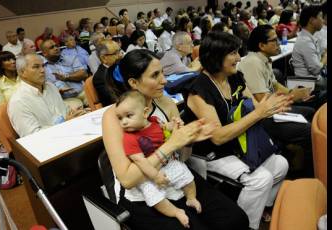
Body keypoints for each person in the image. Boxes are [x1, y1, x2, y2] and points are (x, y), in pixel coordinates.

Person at [102, 49, 249, 229]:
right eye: (155, 75)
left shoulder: (165, 103)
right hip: (143, 191)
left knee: (236, 219)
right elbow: (128, 180)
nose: (164, 80)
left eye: (162, 72)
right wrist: (172, 144)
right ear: (134, 82)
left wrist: (188, 140)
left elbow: (183, 157)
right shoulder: (115, 116)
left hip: (174, 175)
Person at [182, 31, 290, 230]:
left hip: (240, 143)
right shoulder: (199, 90)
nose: (239, 58)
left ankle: (261, 206)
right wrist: (259, 114)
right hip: (212, 154)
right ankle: (245, 225)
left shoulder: (234, 77)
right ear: (216, 57)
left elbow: (255, 106)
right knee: (261, 179)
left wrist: (273, 106)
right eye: (233, 53)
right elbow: (218, 137)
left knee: (281, 164)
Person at [116, 90, 202, 228]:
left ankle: (191, 198)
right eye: (120, 118)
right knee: (153, 196)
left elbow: (165, 128)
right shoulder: (129, 138)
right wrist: (155, 176)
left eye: (128, 116)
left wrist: (174, 125)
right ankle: (176, 212)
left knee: (185, 174)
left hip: (167, 163)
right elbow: (140, 161)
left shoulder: (155, 121)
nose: (124, 122)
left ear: (145, 113)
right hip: (147, 173)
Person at [238, 25, 314, 176]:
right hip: (263, 117)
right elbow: (263, 101)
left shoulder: (264, 60)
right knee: (308, 130)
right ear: (262, 45)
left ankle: (294, 151)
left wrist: (293, 93)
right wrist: (292, 97)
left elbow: (275, 85)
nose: (279, 42)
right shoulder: (252, 62)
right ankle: (305, 173)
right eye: (274, 40)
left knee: (311, 111)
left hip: (273, 108)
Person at [8, 54, 86, 137]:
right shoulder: (18, 101)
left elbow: (64, 112)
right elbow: (32, 137)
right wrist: (65, 124)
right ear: (22, 72)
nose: (42, 70)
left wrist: (75, 113)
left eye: (43, 66)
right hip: (55, 145)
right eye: (36, 67)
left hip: (73, 133)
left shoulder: (51, 87)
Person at [291, 4, 327, 107]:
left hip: (314, 80)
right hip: (311, 83)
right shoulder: (305, 42)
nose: (322, 21)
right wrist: (325, 58)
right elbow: (316, 69)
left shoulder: (309, 38)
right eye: (320, 17)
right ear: (312, 20)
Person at [40, 39, 88, 109]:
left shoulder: (70, 58)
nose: (56, 48)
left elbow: (84, 74)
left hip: (82, 92)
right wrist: (57, 91)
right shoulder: (42, 68)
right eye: (51, 47)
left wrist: (66, 77)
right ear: (44, 53)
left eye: (56, 46)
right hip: (64, 99)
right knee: (76, 108)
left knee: (94, 98)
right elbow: (44, 89)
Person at [93, 40, 123, 106]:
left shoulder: (121, 66)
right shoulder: (100, 78)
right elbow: (116, 100)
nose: (121, 55)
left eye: (120, 51)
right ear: (104, 58)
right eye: (116, 53)